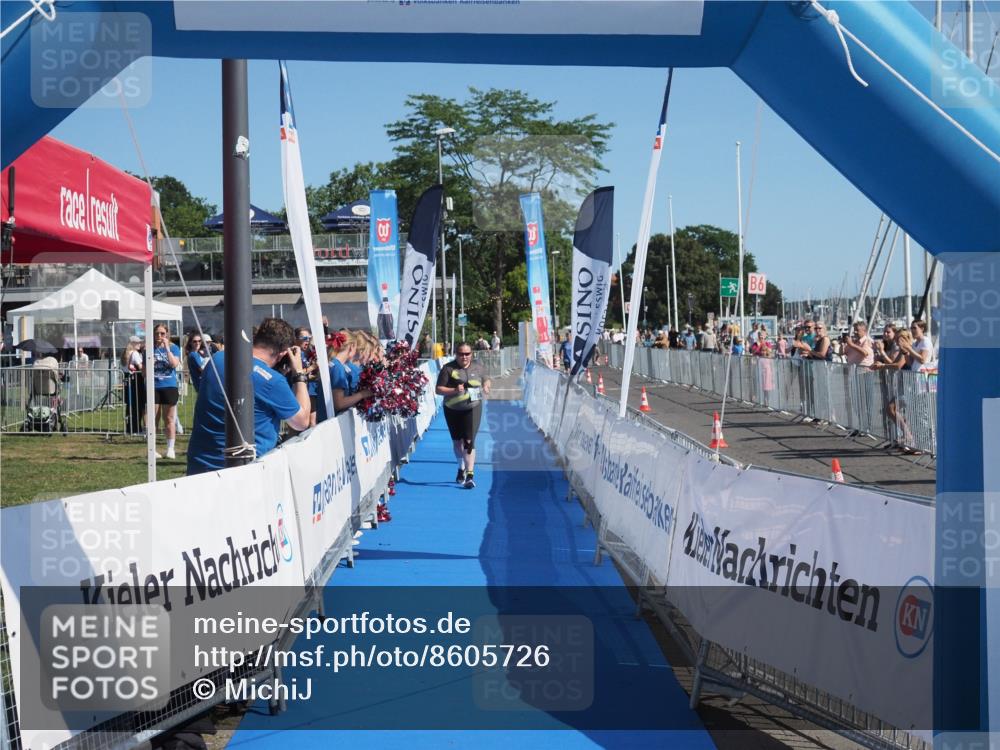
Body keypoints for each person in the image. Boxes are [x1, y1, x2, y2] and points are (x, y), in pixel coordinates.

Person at [187, 317, 311, 475]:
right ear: (282, 354)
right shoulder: (272, 381)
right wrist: (299, 373)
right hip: (243, 472)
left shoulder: (217, 359)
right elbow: (302, 422)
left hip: (200, 466)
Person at [436, 342, 491, 489]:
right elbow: (438, 389)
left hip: (473, 408)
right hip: (452, 409)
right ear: (456, 354)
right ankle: (461, 467)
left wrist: (486, 385)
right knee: (457, 443)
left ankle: (470, 475)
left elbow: (486, 378)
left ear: (471, 354)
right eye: (461, 354)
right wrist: (454, 390)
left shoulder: (478, 366)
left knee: (468, 441)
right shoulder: (448, 368)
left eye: (467, 354)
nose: (464, 357)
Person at [151, 324, 181, 459]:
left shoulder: (174, 348)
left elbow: (174, 364)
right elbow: (145, 373)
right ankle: (152, 449)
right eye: (157, 333)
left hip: (169, 386)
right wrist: (149, 363)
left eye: (162, 334)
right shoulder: (149, 349)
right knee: (153, 419)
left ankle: (170, 448)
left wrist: (167, 349)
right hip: (154, 386)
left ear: (167, 334)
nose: (159, 336)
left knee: (169, 418)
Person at [295, 326, 319, 427]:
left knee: (313, 423)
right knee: (298, 426)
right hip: (298, 392)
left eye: (309, 338)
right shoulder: (294, 353)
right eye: (304, 338)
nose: (307, 341)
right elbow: (297, 374)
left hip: (310, 390)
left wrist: (314, 375)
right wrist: (312, 367)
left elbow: (306, 375)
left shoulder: (307, 353)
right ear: (295, 339)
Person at [122, 336, 145, 435]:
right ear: (133, 343)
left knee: (130, 405)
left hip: (128, 381)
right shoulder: (135, 354)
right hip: (136, 381)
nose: (140, 344)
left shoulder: (124, 354)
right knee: (137, 405)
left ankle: (130, 428)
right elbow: (140, 367)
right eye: (138, 342)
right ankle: (136, 428)